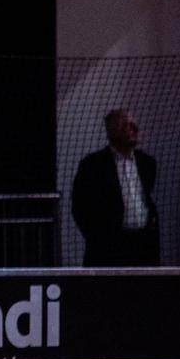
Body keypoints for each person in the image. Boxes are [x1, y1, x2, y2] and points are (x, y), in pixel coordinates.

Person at [71, 109, 160, 266]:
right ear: (112, 132)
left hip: (143, 247)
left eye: (133, 123)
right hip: (109, 250)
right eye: (126, 124)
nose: (134, 128)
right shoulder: (93, 165)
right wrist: (98, 239)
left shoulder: (147, 163)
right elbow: (80, 207)